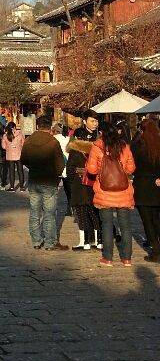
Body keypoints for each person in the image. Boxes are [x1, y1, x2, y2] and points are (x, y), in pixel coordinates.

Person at [85, 121, 136, 267]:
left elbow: (92, 170)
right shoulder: (124, 146)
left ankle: (107, 258)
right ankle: (127, 258)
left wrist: (102, 171)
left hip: (104, 191)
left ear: (102, 133)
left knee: (106, 225)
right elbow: (131, 168)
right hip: (123, 191)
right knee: (125, 226)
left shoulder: (97, 147)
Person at [20, 115, 68, 251]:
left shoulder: (29, 141)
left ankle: (36, 241)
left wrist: (33, 168)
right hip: (49, 180)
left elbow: (23, 159)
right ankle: (49, 242)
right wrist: (56, 174)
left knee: (34, 212)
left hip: (34, 179)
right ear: (50, 127)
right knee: (49, 213)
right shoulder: (53, 142)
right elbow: (60, 163)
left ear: (37, 126)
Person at [66, 110, 102, 251]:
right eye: (93, 121)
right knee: (89, 210)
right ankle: (93, 241)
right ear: (85, 121)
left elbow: (71, 165)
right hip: (88, 179)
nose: (95, 123)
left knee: (88, 210)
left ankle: (89, 241)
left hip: (86, 180)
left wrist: (71, 180)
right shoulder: (98, 141)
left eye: (96, 121)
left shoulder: (80, 144)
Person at [131, 118, 160, 262]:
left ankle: (156, 250)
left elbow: (132, 166)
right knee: (156, 219)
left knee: (147, 220)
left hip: (142, 185)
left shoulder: (137, 145)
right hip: (157, 185)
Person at [52, 123, 72, 215]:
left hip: (55, 167)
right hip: (67, 167)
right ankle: (70, 209)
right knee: (68, 190)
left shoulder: (52, 139)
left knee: (52, 191)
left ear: (55, 131)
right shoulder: (69, 139)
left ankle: (51, 209)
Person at [2, 121, 25, 191]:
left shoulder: (5, 135)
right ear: (15, 127)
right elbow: (23, 144)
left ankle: (12, 187)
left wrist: (9, 148)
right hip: (19, 155)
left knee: (11, 172)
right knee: (20, 171)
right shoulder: (20, 134)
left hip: (10, 155)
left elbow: (3, 146)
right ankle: (22, 187)